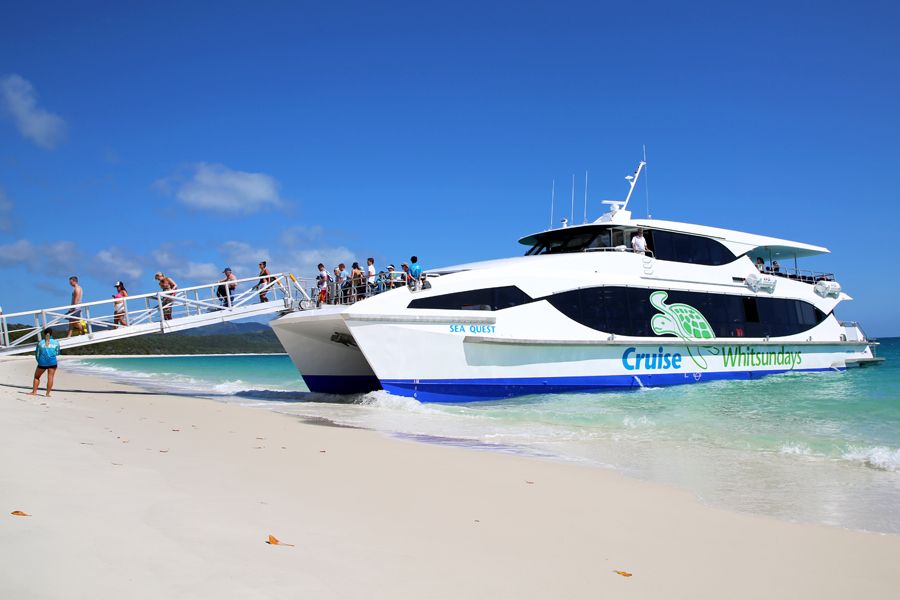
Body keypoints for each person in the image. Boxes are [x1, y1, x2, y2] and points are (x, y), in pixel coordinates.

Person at [31, 328, 60, 397]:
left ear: (44, 334)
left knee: (37, 377)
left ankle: (34, 392)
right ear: (51, 333)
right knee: (50, 378)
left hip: (42, 363)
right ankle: (47, 394)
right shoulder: (56, 342)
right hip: (52, 362)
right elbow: (57, 352)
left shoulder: (40, 343)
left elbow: (37, 354)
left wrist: (39, 361)